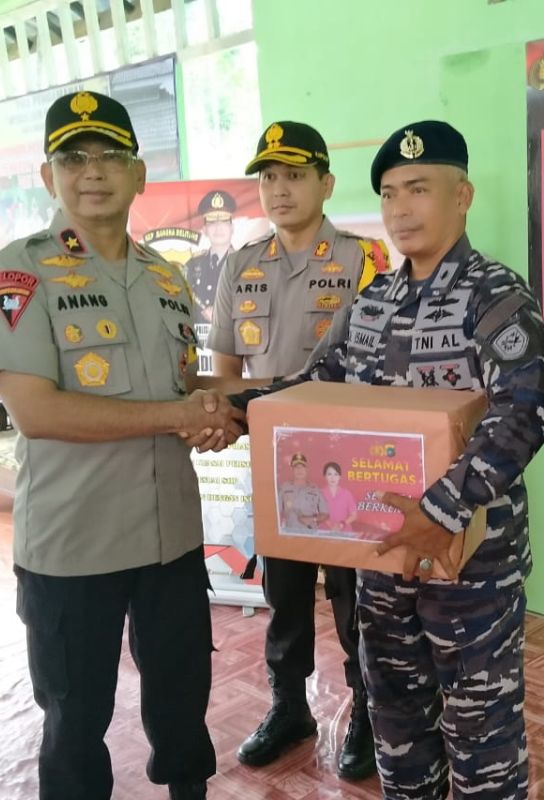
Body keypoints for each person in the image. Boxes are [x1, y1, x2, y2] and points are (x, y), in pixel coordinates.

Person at [231, 120, 544, 800]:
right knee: (398, 734)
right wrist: (237, 410)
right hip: (382, 562)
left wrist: (442, 507)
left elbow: (528, 407)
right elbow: (316, 389)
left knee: (483, 743)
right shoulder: (372, 302)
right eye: (388, 193)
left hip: (470, 568)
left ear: (461, 195)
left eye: (418, 188)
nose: (401, 208)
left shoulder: (493, 296)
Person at [0, 90, 246, 800]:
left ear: (138, 174)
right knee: (74, 718)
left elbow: (186, 382)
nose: (92, 172)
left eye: (110, 158)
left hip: (170, 539)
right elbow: (36, 410)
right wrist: (180, 413)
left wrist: (232, 406)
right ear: (48, 176)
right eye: (74, 158)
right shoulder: (18, 274)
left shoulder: (165, 278)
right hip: (74, 544)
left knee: (183, 705)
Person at [208, 120, 388, 779]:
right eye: (268, 177)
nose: (278, 189)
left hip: (343, 459)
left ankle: (367, 709)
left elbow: (377, 366)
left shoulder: (364, 260)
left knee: (352, 594)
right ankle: (290, 707)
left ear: (325, 183)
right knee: (282, 593)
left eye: (293, 175)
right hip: (272, 460)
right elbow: (226, 370)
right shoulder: (240, 265)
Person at [184, 189, 236, 325]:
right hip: (199, 342)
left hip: (232, 340)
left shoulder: (244, 264)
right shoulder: (192, 264)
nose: (218, 228)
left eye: (224, 221)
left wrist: (222, 312)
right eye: (212, 222)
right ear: (204, 230)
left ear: (232, 228)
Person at [278, 451, 328, 532]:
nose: (299, 470)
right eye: (296, 467)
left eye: (302, 467)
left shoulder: (315, 489)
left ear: (306, 469)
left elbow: (325, 514)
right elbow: (276, 512)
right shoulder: (284, 488)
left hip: (310, 534)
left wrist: (312, 519)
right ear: (292, 469)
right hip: (290, 534)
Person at [321, 461, 358, 532]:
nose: (332, 478)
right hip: (324, 532)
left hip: (344, 533)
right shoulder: (319, 494)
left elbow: (354, 515)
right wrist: (330, 524)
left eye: (336, 474)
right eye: (329, 474)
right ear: (325, 476)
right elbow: (317, 513)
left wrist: (342, 524)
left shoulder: (347, 494)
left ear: (340, 477)